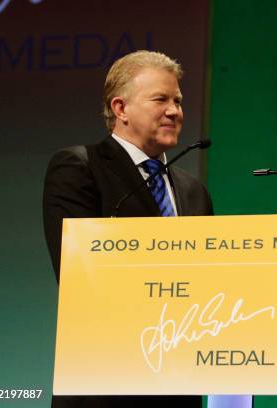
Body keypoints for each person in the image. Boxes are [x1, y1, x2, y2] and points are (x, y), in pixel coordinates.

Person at [43, 50, 211, 407]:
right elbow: (79, 276)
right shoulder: (79, 169)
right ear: (120, 109)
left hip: (178, 387)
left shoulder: (194, 192)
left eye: (178, 101)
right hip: (105, 386)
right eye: (160, 99)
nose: (174, 110)